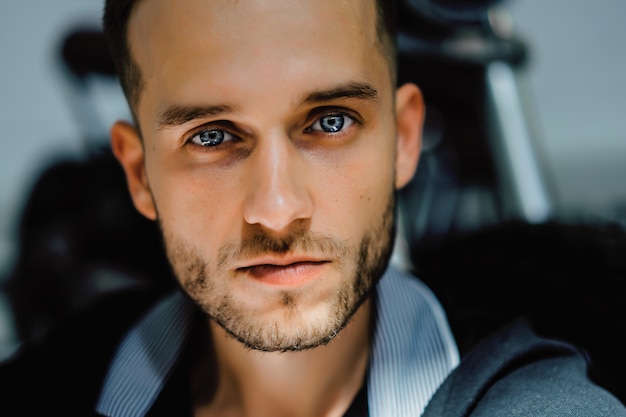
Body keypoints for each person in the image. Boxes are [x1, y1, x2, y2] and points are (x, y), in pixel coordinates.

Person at [0, 0, 624, 416]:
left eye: (330, 122)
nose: (276, 210)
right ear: (139, 175)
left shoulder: (530, 402)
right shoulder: (55, 385)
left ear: (404, 140)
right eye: (213, 137)